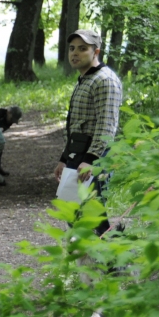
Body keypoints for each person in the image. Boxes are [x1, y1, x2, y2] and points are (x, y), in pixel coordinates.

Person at [53, 29, 123, 236]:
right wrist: (64, 158)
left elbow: (107, 125)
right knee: (74, 213)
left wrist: (91, 160)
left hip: (94, 156)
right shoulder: (86, 79)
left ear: (96, 52)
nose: (75, 53)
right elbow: (77, 124)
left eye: (82, 49)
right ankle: (89, 253)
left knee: (92, 214)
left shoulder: (105, 80)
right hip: (78, 153)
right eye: (72, 48)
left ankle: (114, 252)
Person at [0, 105, 23, 176]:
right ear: (8, 112)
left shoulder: (10, 121)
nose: (12, 121)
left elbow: (1, 131)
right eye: (12, 118)